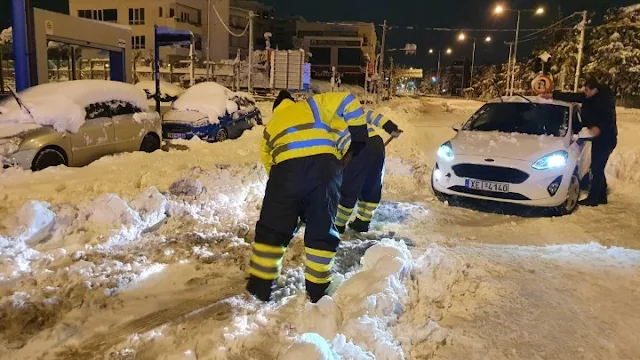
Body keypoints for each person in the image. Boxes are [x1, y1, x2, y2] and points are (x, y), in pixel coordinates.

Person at [247, 90, 368, 303]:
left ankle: (260, 287)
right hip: (324, 170)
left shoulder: (270, 128)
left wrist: (289, 198)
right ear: (292, 102)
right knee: (321, 230)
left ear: (276, 109)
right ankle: (318, 289)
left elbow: (270, 166)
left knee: (272, 230)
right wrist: (358, 136)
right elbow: (347, 100)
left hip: (285, 174)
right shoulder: (312, 106)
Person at [543, 78, 618, 206]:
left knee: (597, 168)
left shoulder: (604, 102)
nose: (585, 92)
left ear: (595, 90)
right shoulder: (589, 97)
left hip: (606, 139)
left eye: (587, 90)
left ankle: (594, 198)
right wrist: (552, 95)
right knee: (597, 167)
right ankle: (602, 195)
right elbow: (573, 96)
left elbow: (608, 119)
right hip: (598, 138)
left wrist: (598, 127)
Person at [334, 109, 402, 233]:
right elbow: (373, 116)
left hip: (355, 148)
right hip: (376, 143)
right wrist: (391, 127)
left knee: (349, 186)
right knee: (372, 184)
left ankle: (337, 225)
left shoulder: (327, 125)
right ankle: (362, 222)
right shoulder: (350, 112)